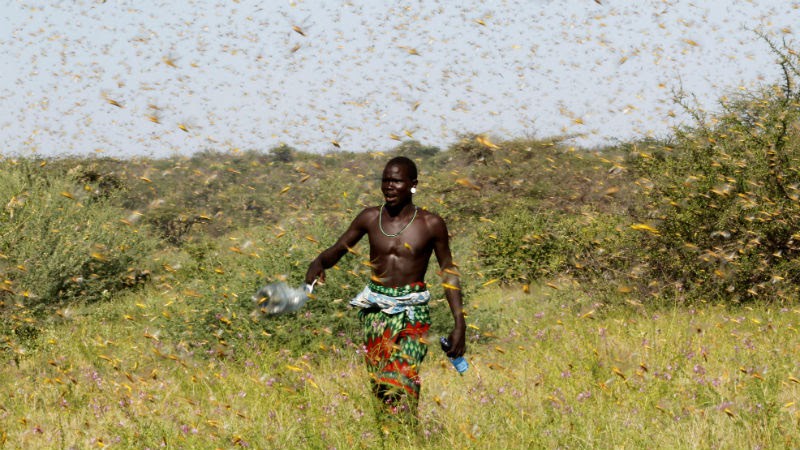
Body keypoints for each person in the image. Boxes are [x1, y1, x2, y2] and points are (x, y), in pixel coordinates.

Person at [305, 156, 466, 419]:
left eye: (397, 181)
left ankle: (409, 434)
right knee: (381, 384)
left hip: (413, 312)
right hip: (376, 311)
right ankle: (388, 436)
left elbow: (448, 269)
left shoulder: (431, 224)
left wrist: (460, 322)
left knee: (405, 377)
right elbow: (337, 250)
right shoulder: (370, 218)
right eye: (385, 181)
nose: (389, 186)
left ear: (413, 185)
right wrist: (319, 262)